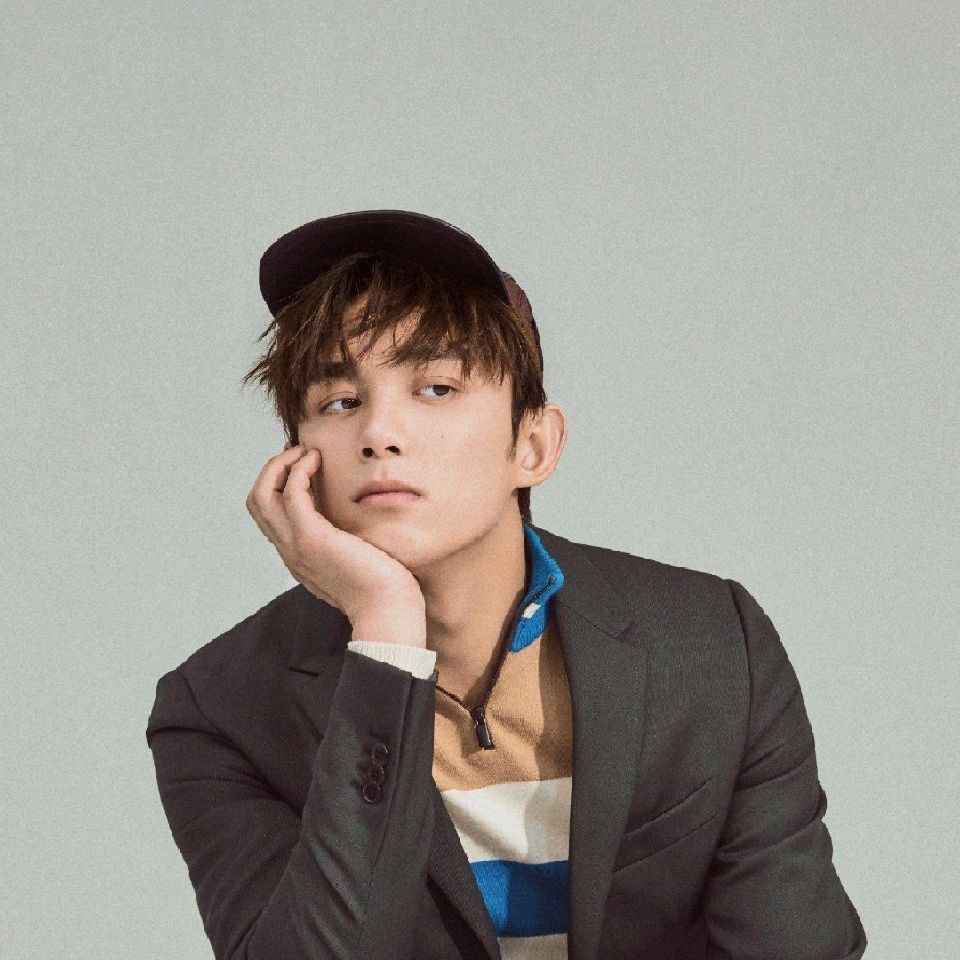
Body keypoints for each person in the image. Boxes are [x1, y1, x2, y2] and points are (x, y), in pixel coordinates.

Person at [145, 209, 867, 960]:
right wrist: (387, 638)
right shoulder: (220, 710)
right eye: (339, 403)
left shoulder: (713, 647)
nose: (378, 433)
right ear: (296, 461)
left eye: (435, 388)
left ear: (533, 444)